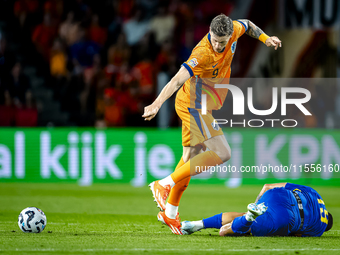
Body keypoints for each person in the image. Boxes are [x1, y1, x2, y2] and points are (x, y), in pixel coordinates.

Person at [142, 14, 282, 235]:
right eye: (215, 40)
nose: (218, 45)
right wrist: (156, 104)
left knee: (189, 158)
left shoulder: (234, 29)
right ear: (209, 31)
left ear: (229, 35)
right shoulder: (202, 53)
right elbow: (177, 80)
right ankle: (163, 184)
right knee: (223, 152)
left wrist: (266, 39)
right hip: (194, 105)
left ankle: (169, 213)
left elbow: (248, 25)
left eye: (222, 42)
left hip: (200, 103)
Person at [181, 183, 333, 237]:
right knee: (227, 231)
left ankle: (195, 224)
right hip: (288, 217)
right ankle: (250, 217)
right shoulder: (319, 229)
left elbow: (267, 186)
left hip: (279, 195)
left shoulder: (314, 194)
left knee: (246, 213)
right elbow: (297, 234)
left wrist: (259, 202)